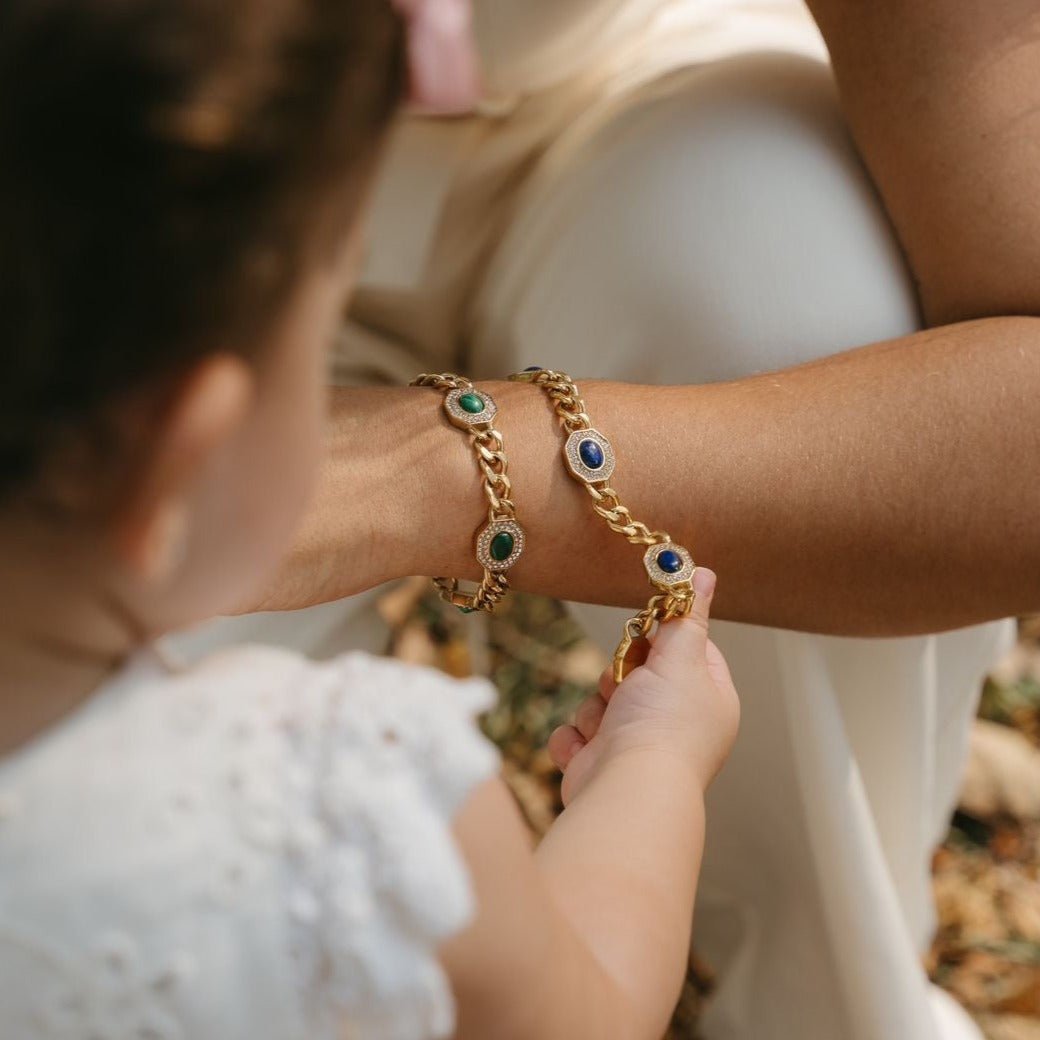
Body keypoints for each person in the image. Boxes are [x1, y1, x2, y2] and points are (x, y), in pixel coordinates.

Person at [243, 1, 1040, 1038]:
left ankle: (825, 1004)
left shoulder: (399, 792)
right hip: (110, 233)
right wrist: (654, 770)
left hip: (608, 110)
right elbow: (574, 1011)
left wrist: (433, 472)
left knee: (789, 305)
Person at [0, 2, 741, 1038]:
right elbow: (591, 1009)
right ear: (188, 446)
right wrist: (653, 765)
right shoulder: (336, 804)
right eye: (316, 348)